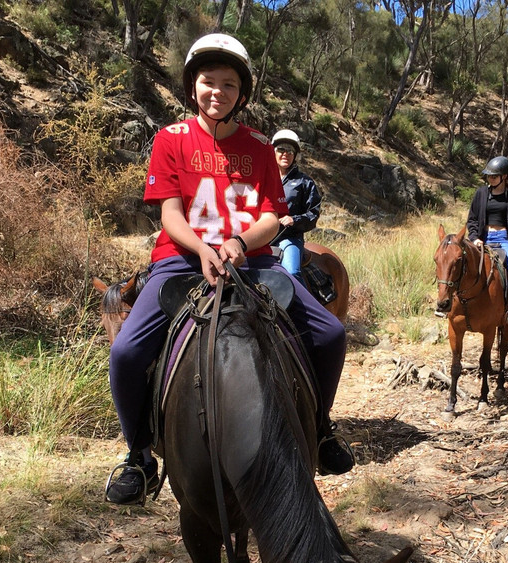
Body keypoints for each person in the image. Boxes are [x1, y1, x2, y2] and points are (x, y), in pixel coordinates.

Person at [104, 33, 354, 505]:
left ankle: (320, 429)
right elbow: (170, 214)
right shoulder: (169, 141)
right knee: (125, 355)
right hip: (179, 262)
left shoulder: (260, 146)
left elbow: (269, 217)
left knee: (329, 335)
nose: (217, 92)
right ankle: (138, 455)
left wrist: (239, 243)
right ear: (191, 85)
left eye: (229, 85)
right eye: (208, 82)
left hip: (253, 263)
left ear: (242, 93)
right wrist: (202, 249)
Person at [465, 156, 508, 323]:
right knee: (460, 265)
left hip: (503, 240)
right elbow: (472, 219)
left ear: (503, 177)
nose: (490, 179)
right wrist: (474, 238)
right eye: (488, 176)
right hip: (484, 239)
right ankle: (450, 306)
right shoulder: (481, 193)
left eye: (494, 176)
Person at [270, 129, 322, 285]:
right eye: (281, 149)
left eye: (290, 150)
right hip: (261, 237)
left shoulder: (304, 182)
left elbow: (313, 213)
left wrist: (294, 219)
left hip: (288, 237)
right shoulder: (263, 178)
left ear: (295, 155)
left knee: (291, 272)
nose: (286, 153)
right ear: (273, 151)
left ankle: (302, 308)